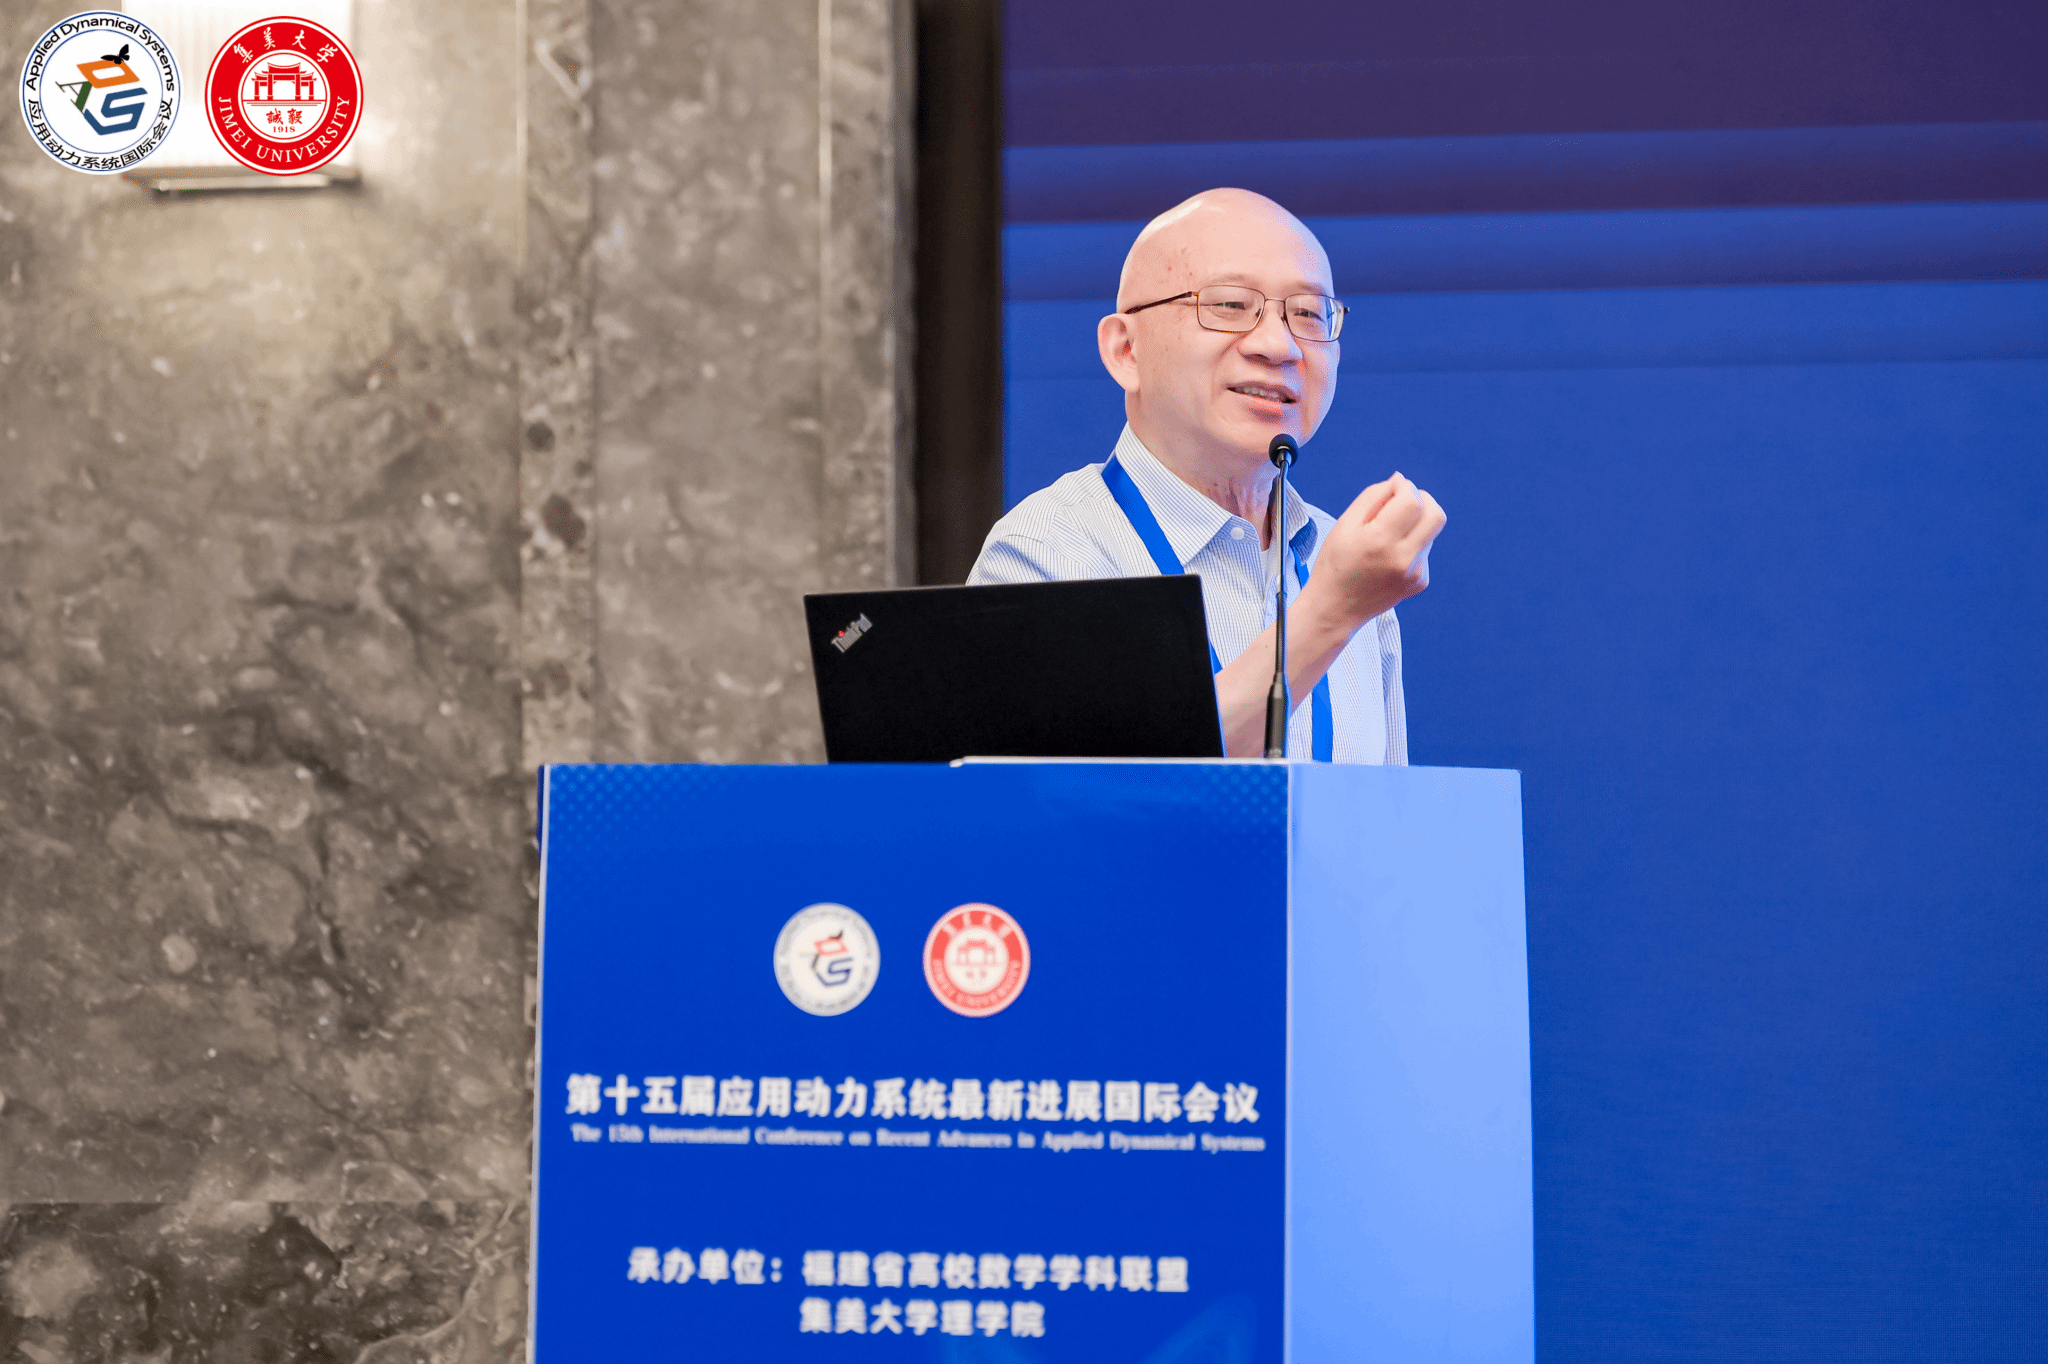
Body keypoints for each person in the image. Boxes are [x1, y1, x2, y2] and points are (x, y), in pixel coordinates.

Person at [967, 188, 1448, 762]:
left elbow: (1387, 811)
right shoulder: (1050, 553)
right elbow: (1108, 800)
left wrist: (1344, 599)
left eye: (1307, 314)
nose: (1279, 346)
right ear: (1126, 350)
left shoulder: (1346, 564)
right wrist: (1330, 611)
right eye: (1229, 305)